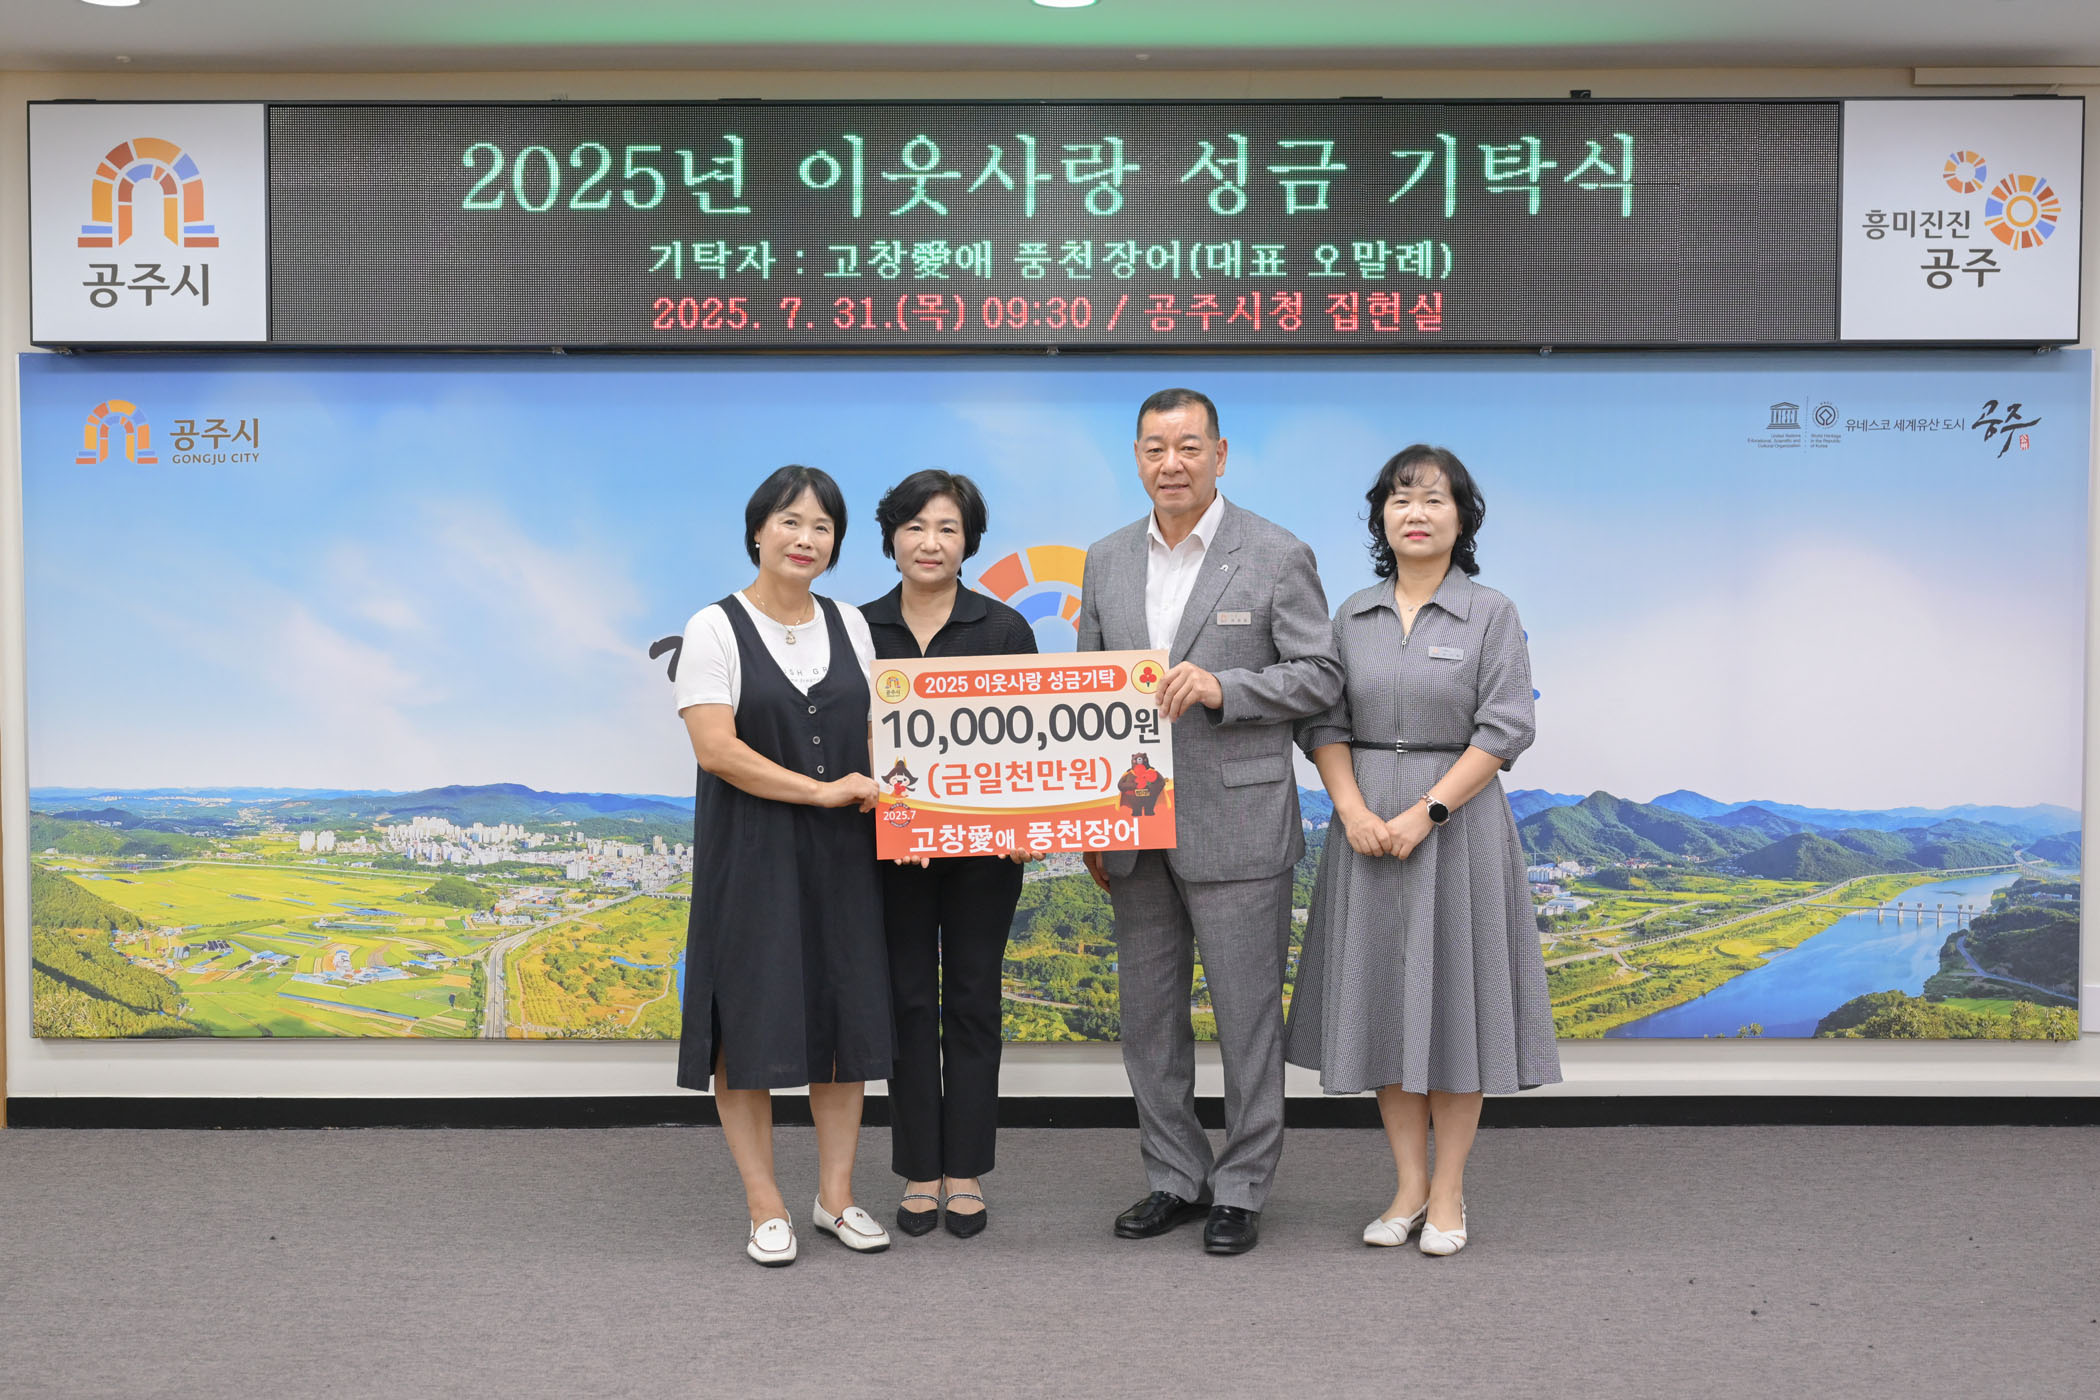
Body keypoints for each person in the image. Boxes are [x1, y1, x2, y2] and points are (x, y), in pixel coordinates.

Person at [1075, 387, 1342, 1256]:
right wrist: (1095, 817)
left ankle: (1242, 1186)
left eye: (1189, 446)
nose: (1172, 464)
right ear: (1137, 458)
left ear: (1220, 456)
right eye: (1155, 448)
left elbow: (1320, 676)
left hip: (1240, 822)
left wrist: (1228, 688)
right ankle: (1174, 1176)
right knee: (1148, 1020)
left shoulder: (1276, 553)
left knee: (1246, 1021)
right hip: (1135, 825)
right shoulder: (1106, 559)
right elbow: (1090, 697)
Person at [1289, 444, 1562, 1258]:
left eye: (1435, 499)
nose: (1416, 512)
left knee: (1454, 1010)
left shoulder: (1492, 613)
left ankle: (1449, 1192)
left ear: (1462, 518)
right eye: (1401, 498)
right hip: (1364, 828)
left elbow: (1507, 726)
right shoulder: (1351, 615)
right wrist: (1351, 810)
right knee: (1386, 1004)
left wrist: (1427, 811)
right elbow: (1323, 720)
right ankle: (1408, 1186)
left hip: (1459, 830)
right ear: (1380, 516)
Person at [673, 464, 894, 1267]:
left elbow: (877, 733)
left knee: (845, 1018)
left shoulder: (851, 624)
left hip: (845, 856)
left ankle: (835, 1197)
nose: (806, 538)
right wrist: (820, 790)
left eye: (822, 527)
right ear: (758, 531)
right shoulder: (714, 627)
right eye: (791, 522)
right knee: (748, 1022)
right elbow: (716, 749)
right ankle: (765, 1205)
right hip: (751, 853)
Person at [861, 470, 1038, 1240]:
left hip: (985, 854)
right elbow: (848, 737)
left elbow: (1033, 745)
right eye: (915, 527)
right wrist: (893, 816)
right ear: (891, 538)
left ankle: (964, 1168)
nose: (930, 543)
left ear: (969, 543)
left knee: (972, 1000)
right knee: (906, 1003)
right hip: (891, 852)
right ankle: (918, 1168)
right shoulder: (856, 628)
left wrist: (1019, 821)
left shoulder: (1004, 628)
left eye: (947, 529)